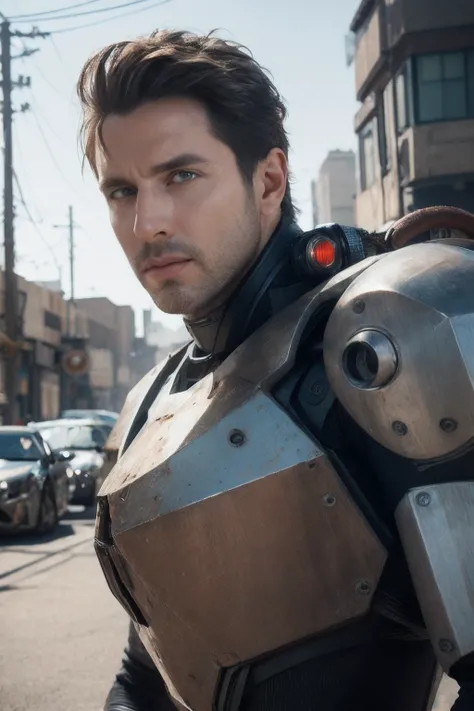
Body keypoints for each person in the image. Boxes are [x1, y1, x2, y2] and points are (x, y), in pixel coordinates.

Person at [77, 29, 474, 711]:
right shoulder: (151, 404)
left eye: (180, 175)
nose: (146, 221)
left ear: (268, 181)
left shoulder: (393, 336)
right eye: (121, 190)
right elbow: (146, 675)